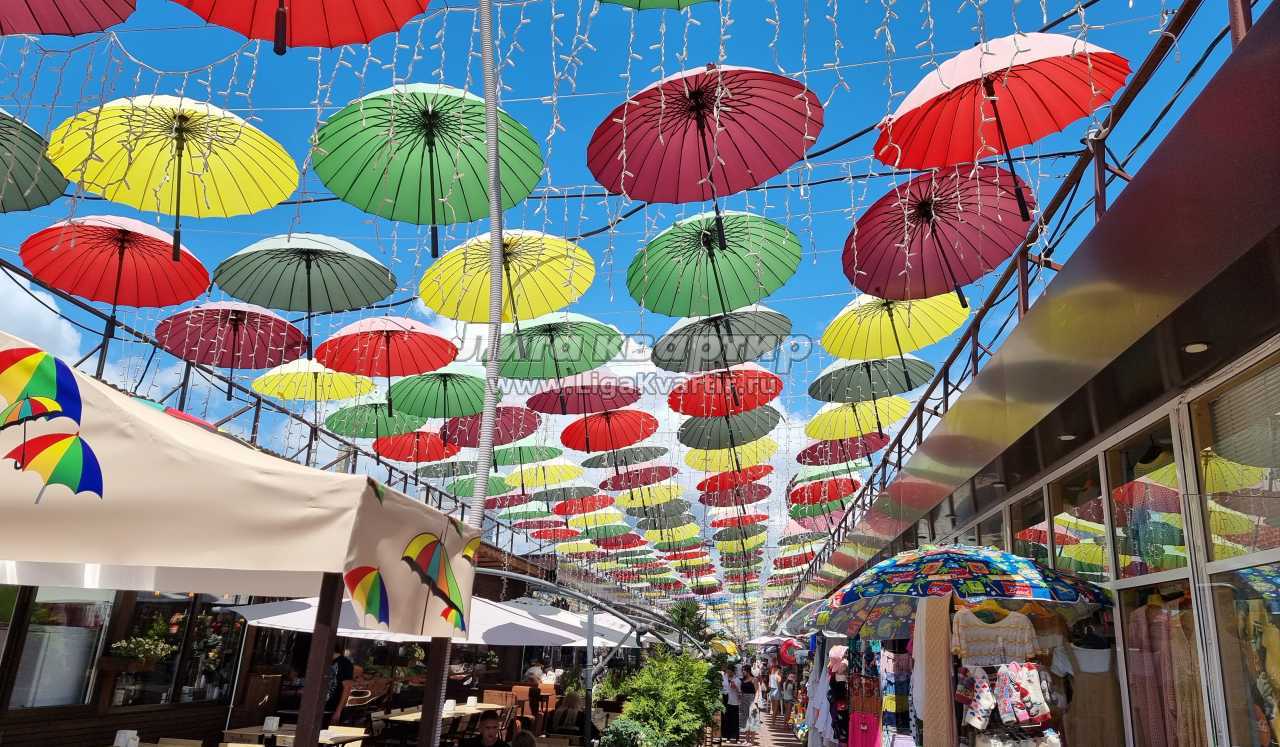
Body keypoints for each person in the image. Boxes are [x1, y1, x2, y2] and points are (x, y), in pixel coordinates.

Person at [325, 643, 355, 725]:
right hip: (324, 707)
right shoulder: (328, 662)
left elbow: (347, 688)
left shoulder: (345, 663)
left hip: (333, 708)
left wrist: (338, 711)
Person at [721, 665, 741, 743]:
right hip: (726, 700)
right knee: (727, 719)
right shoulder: (724, 678)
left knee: (735, 720)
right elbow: (722, 687)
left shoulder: (737, 680)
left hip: (734, 702)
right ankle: (728, 737)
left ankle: (737, 738)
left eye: (730, 672)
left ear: (733, 672)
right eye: (727, 672)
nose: (728, 673)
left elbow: (740, 693)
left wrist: (736, 688)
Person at [739, 672, 757, 738]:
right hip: (744, 700)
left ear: (748, 671)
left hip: (751, 699)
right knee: (745, 719)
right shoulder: (743, 680)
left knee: (752, 718)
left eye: (744, 670)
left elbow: (757, 691)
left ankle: (752, 739)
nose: (743, 672)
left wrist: (755, 701)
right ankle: (746, 738)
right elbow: (741, 690)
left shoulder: (754, 679)